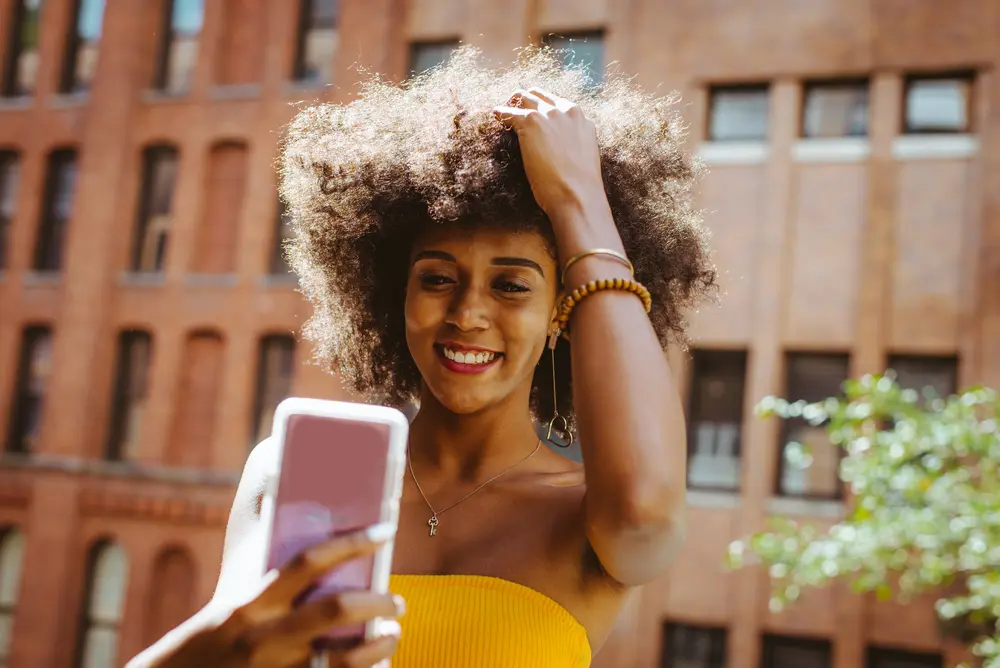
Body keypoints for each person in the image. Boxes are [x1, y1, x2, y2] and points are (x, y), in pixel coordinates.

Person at [127, 46, 716, 668]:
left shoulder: (589, 516)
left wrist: (579, 201)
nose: (467, 312)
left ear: (563, 315)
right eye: (437, 279)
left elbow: (646, 513)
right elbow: (227, 644)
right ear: (393, 294)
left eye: (512, 286)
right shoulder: (298, 473)